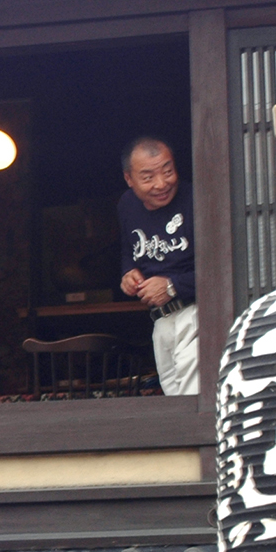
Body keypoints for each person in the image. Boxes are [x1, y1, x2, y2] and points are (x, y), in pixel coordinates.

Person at [118, 136, 198, 396]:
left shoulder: (195, 199)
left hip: (196, 313)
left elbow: (221, 266)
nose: (162, 184)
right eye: (148, 177)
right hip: (161, 318)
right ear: (129, 179)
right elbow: (128, 252)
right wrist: (128, 273)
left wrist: (173, 286)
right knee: (173, 395)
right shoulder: (127, 206)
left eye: (168, 171)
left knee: (192, 394)